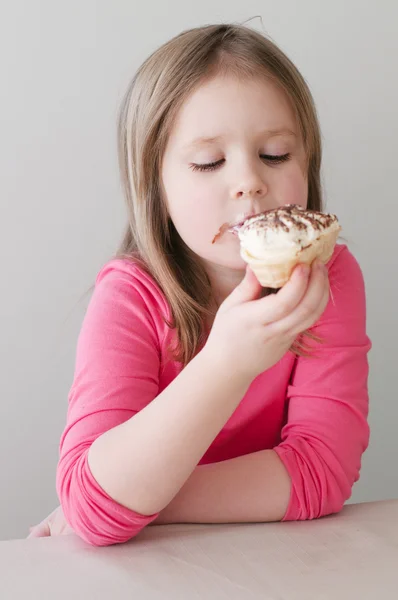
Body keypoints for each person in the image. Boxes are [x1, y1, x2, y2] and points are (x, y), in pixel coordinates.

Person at [28, 23, 371, 546]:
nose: (249, 181)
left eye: (275, 153)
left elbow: (322, 472)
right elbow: (94, 508)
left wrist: (142, 502)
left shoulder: (329, 277)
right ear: (156, 186)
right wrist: (227, 363)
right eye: (208, 162)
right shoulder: (131, 297)